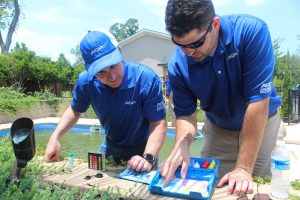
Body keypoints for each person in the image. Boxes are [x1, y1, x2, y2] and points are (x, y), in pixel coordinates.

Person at [160, 0, 284, 196]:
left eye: (196, 43)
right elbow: (185, 115)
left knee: (259, 190)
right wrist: (182, 144)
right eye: (180, 44)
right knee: (211, 189)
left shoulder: (251, 32)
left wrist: (243, 168)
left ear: (214, 24)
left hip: (262, 124)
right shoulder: (178, 63)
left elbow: (258, 101)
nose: (189, 52)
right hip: (218, 129)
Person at [45, 29, 167, 172]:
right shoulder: (86, 82)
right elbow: (74, 110)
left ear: (119, 52)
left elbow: (158, 123)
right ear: (90, 70)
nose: (112, 77)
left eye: (114, 66)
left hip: (144, 149)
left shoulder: (145, 78)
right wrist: (55, 137)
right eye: (101, 72)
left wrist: (148, 158)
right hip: (110, 146)